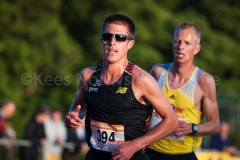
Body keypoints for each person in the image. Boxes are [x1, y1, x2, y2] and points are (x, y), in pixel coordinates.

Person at [64, 13, 178, 160]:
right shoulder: (88, 76)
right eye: (107, 37)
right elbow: (79, 107)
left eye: (120, 38)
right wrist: (73, 116)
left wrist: (135, 145)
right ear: (101, 41)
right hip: (95, 156)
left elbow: (172, 121)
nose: (112, 42)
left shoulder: (141, 79)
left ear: (130, 43)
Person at [146, 22, 220, 160]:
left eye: (187, 43)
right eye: (177, 41)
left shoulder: (204, 81)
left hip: (183, 155)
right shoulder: (157, 72)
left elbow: (215, 125)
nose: (181, 47)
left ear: (196, 49)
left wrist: (192, 128)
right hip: (151, 152)